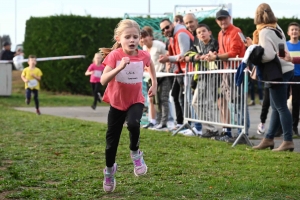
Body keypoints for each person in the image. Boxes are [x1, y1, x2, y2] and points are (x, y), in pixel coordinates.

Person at [99, 19, 157, 193]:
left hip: (135, 101)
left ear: (140, 38)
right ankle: (109, 171)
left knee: (133, 123)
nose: (132, 40)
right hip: (117, 104)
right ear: (119, 38)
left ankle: (135, 153)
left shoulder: (143, 55)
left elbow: (151, 64)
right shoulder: (114, 56)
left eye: (135, 37)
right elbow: (103, 80)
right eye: (128, 37)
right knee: (111, 143)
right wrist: (120, 67)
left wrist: (154, 82)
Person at [252, 3, 294, 151]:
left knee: (281, 107)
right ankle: (269, 138)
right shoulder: (277, 28)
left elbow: (268, 55)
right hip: (287, 69)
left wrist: (254, 54)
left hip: (277, 72)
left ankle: (288, 140)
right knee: (278, 107)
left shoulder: (263, 32)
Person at [205, 9, 246, 142]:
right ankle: (228, 132)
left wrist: (216, 57)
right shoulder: (220, 33)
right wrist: (214, 56)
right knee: (225, 101)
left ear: (230, 18)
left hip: (237, 71)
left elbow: (234, 53)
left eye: (224, 18)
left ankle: (242, 133)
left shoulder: (236, 31)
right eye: (220, 19)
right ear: (217, 21)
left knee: (238, 102)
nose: (222, 21)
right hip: (226, 71)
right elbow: (223, 52)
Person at [183, 23, 219, 137]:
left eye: (203, 31)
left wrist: (205, 56)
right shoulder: (197, 45)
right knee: (198, 103)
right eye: (199, 32)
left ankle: (212, 129)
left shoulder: (214, 43)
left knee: (203, 103)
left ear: (209, 32)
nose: (201, 34)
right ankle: (210, 128)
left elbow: (214, 53)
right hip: (201, 76)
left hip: (212, 76)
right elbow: (187, 55)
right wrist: (195, 57)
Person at [159, 18, 194, 130]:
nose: (165, 30)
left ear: (172, 25)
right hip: (180, 70)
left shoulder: (181, 34)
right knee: (175, 95)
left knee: (184, 98)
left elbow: (184, 54)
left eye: (167, 27)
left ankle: (188, 124)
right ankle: (181, 123)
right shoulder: (174, 36)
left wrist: (168, 59)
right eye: (163, 30)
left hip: (188, 70)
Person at [140, 27, 170, 130]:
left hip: (163, 75)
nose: (143, 40)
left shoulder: (159, 45)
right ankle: (153, 121)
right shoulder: (144, 48)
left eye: (145, 37)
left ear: (151, 37)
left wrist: (167, 66)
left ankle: (164, 122)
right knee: (152, 99)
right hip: (150, 77)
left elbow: (168, 55)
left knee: (163, 99)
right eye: (141, 38)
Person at [286, 22, 300, 136]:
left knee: (296, 102)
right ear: (288, 32)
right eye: (292, 29)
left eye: (296, 29)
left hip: (298, 76)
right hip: (286, 75)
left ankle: (294, 126)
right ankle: (282, 127)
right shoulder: (285, 45)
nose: (294, 31)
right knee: (283, 101)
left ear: (299, 32)